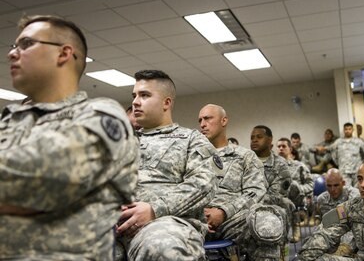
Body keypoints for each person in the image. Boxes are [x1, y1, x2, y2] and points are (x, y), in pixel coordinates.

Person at [0, 15, 138, 260]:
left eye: (26, 44)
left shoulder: (101, 116)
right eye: (14, 46)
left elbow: (35, 182)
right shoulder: (9, 119)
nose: (12, 54)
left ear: (63, 53)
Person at [115, 70, 219, 260]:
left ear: (166, 102)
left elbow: (204, 185)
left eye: (144, 95)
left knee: (162, 248)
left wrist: (154, 208)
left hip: (165, 223)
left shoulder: (191, 139)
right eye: (134, 96)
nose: (136, 102)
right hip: (114, 226)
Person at [199, 104, 284, 260]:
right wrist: (199, 216)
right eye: (200, 120)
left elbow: (255, 192)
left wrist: (224, 211)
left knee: (265, 222)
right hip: (196, 221)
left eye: (208, 118)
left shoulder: (245, 156)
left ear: (224, 121)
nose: (202, 124)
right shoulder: (193, 156)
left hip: (232, 220)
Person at [250, 125, 297, 243]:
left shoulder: (280, 164)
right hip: (245, 208)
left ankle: (281, 250)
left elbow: (276, 196)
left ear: (270, 140)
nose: (254, 140)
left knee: (284, 206)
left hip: (270, 207)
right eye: (252, 137)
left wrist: (248, 202)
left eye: (259, 137)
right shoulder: (244, 161)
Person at [315, 169, 359, 257]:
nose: (332, 189)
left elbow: (355, 225)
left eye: (336, 185)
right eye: (329, 186)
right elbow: (320, 222)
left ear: (343, 183)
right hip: (331, 237)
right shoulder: (321, 199)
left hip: (350, 236)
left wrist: (344, 246)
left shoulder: (353, 196)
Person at [330, 122, 364, 186]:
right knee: (346, 190)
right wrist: (339, 163)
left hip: (357, 170)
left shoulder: (358, 141)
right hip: (344, 170)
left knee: (358, 189)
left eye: (349, 129)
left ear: (352, 130)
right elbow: (333, 154)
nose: (348, 131)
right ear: (343, 130)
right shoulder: (338, 142)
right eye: (346, 129)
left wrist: (362, 165)